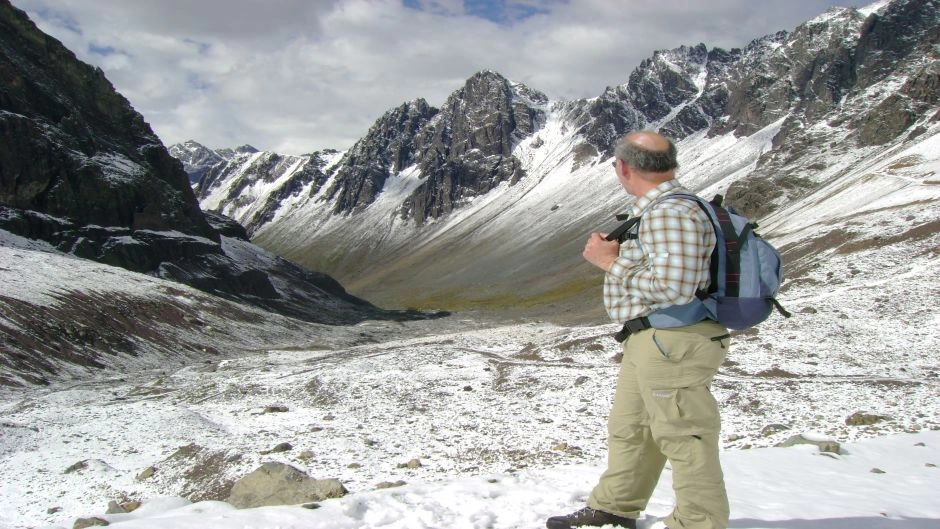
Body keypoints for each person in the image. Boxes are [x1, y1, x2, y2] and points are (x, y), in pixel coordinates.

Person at [547, 131, 730, 529]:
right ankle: (614, 508)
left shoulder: (670, 212)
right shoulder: (661, 208)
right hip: (653, 338)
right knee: (632, 428)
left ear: (624, 167)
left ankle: (700, 523)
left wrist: (607, 262)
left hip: (673, 340)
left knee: (683, 435)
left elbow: (674, 288)